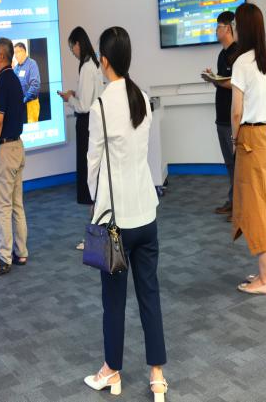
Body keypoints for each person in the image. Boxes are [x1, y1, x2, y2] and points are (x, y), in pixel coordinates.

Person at [83, 27, 168, 401]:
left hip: (115, 223)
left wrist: (95, 203)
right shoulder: (143, 99)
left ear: (104, 61)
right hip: (146, 214)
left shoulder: (101, 107)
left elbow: (93, 165)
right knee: (150, 294)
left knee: (113, 302)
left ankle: (112, 371)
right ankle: (157, 375)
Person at [230, 3, 266, 295]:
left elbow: (236, 112)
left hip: (250, 139)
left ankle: (264, 281)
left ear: (243, 28)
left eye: (235, 25)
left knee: (257, 209)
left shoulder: (241, 63)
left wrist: (234, 140)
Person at [58, 26, 104, 250]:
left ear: (78, 43)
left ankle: (94, 237)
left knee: (90, 182)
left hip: (86, 126)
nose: (73, 52)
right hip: (95, 125)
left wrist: (69, 99)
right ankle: (98, 233)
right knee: (96, 181)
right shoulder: (94, 65)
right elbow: (91, 98)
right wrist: (75, 95)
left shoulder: (86, 67)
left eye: (72, 48)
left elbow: (84, 105)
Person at [0, 37, 28, 278]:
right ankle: (21, 252)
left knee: (2, 206)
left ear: (1, 56)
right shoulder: (15, 80)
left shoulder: (2, 82)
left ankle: (4, 258)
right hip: (18, 147)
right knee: (16, 204)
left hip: (6, 149)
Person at [201, 11, 238, 218]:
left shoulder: (238, 53)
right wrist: (213, 78)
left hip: (233, 117)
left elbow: (236, 83)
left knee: (238, 164)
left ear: (229, 28)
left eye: (219, 27)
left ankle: (240, 206)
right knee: (230, 164)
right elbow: (224, 80)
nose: (216, 31)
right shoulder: (221, 54)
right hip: (221, 117)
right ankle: (233, 201)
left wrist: (215, 80)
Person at [13, 42, 41, 123]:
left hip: (30, 103)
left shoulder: (32, 64)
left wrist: (24, 100)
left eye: (17, 52)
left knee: (32, 128)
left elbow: (35, 85)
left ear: (23, 51)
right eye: (14, 53)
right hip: (19, 105)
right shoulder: (16, 68)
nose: (15, 55)